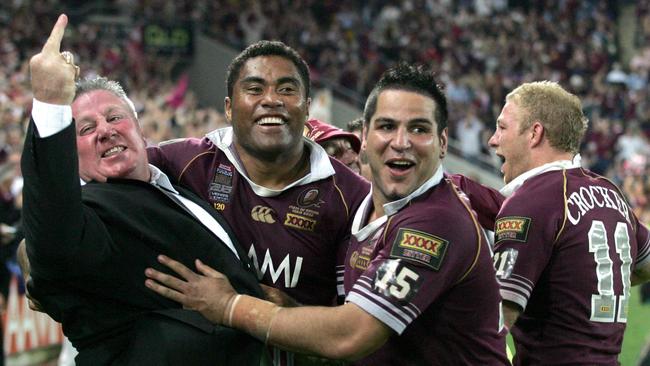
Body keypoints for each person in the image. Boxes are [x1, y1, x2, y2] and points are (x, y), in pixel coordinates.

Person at [144, 63, 510, 365]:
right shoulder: (361, 214)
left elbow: (350, 335)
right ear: (365, 136)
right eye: (387, 126)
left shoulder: (436, 221)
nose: (401, 141)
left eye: (419, 128)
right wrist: (292, 309)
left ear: (443, 143)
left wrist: (229, 306)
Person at [23, 15, 268, 365]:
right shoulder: (93, 212)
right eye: (85, 128)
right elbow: (54, 238)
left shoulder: (179, 179)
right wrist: (49, 103)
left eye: (114, 117)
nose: (104, 131)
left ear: (139, 129)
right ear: (69, 155)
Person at [146, 40, 370, 311]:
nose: (272, 100)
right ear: (228, 107)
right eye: (254, 89)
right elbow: (111, 172)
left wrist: (274, 312)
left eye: (287, 90)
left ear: (308, 107)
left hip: (298, 352)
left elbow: (354, 328)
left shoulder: (353, 197)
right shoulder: (186, 162)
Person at [488, 81, 650, 365]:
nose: (492, 139)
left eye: (502, 127)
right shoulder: (610, 191)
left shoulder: (530, 202)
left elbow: (492, 324)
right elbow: (646, 265)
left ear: (535, 133)